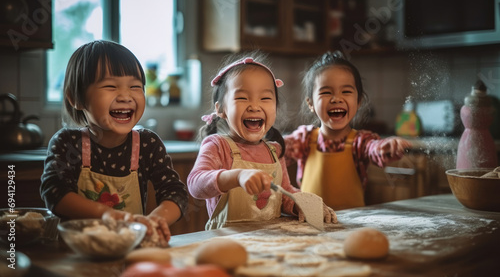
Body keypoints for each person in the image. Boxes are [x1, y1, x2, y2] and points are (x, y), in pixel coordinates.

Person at [40, 40, 188, 244]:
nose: (126, 96)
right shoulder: (68, 143)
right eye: (110, 86)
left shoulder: (147, 144)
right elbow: (55, 192)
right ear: (76, 98)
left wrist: (153, 221)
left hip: (129, 249)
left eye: (135, 86)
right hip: (75, 254)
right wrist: (106, 214)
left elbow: (176, 193)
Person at [187, 52, 337, 230]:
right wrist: (236, 176)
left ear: (275, 107)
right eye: (242, 98)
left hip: (269, 241)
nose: (254, 106)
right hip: (228, 243)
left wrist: (302, 203)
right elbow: (195, 184)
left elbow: (284, 194)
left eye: (265, 98)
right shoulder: (217, 145)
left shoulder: (273, 150)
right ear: (221, 109)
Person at [285, 51, 412, 210]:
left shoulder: (361, 142)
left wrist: (387, 147)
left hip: (351, 224)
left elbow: (374, 149)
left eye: (346, 91)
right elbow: (278, 149)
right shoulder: (303, 139)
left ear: (358, 101)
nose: (336, 98)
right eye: (326, 92)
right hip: (310, 223)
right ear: (310, 103)